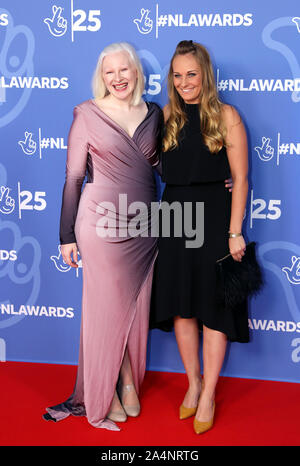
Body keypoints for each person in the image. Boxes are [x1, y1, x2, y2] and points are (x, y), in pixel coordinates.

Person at [43, 42, 162, 431]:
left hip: (144, 227)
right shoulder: (87, 115)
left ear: (136, 72)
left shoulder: (154, 113)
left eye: (124, 70)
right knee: (105, 312)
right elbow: (74, 178)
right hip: (99, 225)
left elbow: (162, 165)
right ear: (102, 77)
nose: (117, 78)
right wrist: (66, 236)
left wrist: (217, 179)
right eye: (109, 72)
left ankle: (127, 378)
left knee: (132, 308)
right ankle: (104, 391)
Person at [150, 40, 249, 434]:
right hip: (174, 218)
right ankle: (192, 385)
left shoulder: (227, 116)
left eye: (191, 73)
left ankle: (209, 393)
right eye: (177, 75)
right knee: (181, 307)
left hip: (214, 219)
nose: (185, 81)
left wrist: (234, 231)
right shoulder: (166, 115)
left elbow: (240, 178)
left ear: (205, 74)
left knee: (213, 309)